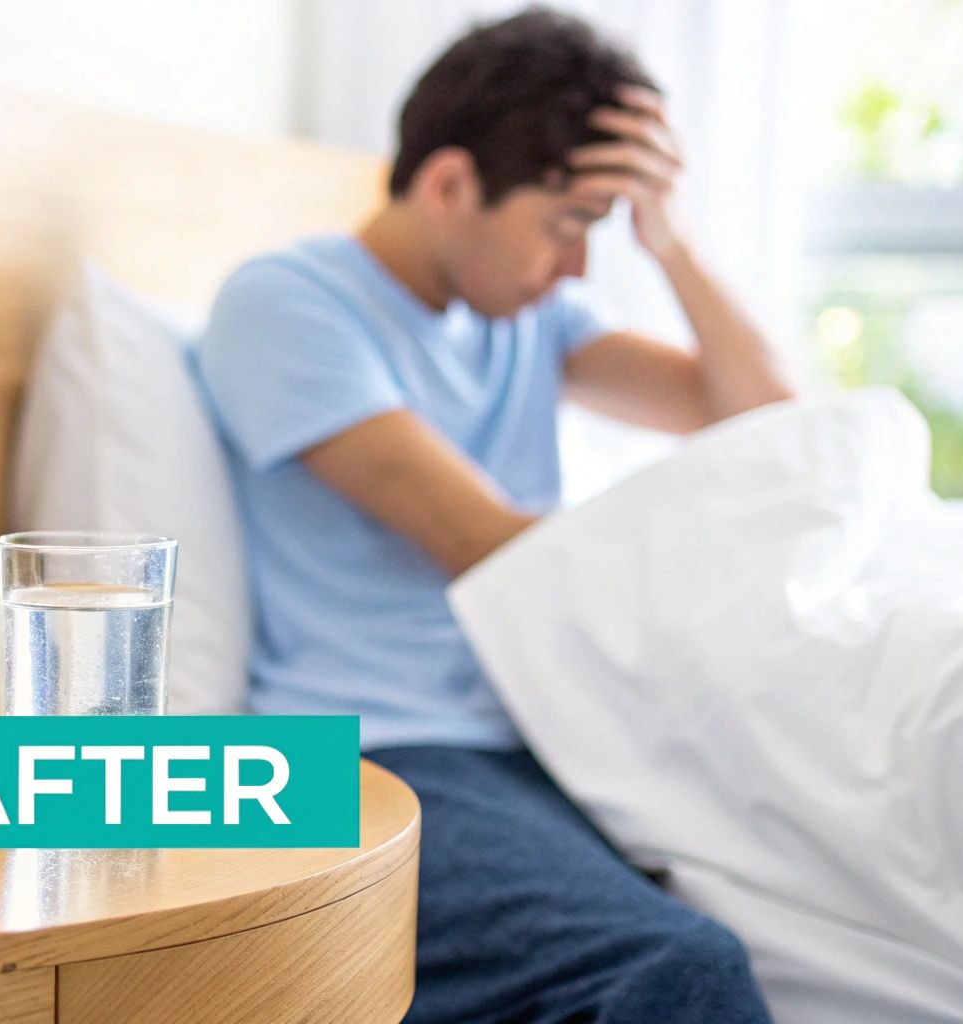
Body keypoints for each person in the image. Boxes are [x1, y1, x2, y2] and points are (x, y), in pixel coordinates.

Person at [194, 7, 793, 1023]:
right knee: (677, 970)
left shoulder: (526, 319)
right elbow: (479, 543)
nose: (575, 269)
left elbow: (764, 420)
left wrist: (673, 244)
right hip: (371, 755)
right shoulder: (285, 304)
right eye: (565, 226)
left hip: (527, 737)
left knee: (767, 924)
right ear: (446, 184)